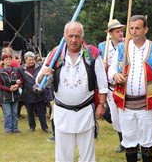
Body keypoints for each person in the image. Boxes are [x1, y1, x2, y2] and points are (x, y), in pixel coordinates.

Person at [36, 21, 108, 162]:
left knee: (87, 156)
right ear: (64, 36)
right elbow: (39, 83)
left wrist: (102, 104)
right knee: (63, 156)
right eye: (70, 36)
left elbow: (102, 83)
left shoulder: (92, 54)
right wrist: (41, 76)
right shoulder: (54, 55)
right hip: (62, 113)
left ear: (82, 36)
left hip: (85, 112)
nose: (73, 40)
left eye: (77, 36)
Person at [109, 15, 152, 162]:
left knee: (147, 140)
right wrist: (115, 75)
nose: (134, 32)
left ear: (145, 29)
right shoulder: (122, 48)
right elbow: (111, 70)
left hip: (147, 103)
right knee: (129, 139)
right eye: (131, 28)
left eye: (137, 28)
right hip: (125, 103)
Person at [98, 19, 126, 153]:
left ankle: (132, 143)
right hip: (111, 87)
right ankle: (122, 142)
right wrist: (101, 66)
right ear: (110, 33)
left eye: (121, 31)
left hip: (126, 87)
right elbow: (97, 67)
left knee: (128, 116)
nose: (120, 33)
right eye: (117, 31)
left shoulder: (128, 44)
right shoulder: (103, 47)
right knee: (115, 117)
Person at [19, 51, 49, 133]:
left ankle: (45, 128)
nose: (31, 61)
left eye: (33, 59)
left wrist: (42, 86)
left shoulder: (40, 67)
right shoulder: (21, 69)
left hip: (39, 93)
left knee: (41, 112)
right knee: (30, 112)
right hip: (27, 93)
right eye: (29, 60)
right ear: (25, 60)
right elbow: (20, 79)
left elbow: (45, 78)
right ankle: (32, 127)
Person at [0, 52, 23, 133]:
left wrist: (17, 85)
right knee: (8, 113)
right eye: (6, 59)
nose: (9, 61)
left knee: (15, 112)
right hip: (5, 96)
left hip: (15, 95)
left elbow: (21, 79)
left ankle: (15, 128)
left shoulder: (16, 70)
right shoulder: (0, 72)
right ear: (3, 61)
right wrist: (9, 89)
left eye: (10, 59)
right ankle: (8, 129)